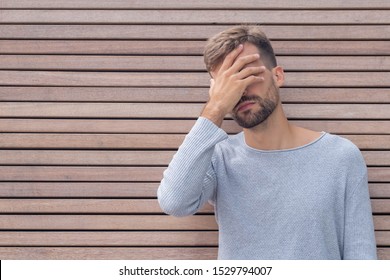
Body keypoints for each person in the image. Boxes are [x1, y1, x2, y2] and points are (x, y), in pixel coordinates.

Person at [157, 25, 377, 260]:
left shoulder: (340, 156)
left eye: (247, 75)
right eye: (228, 83)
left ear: (278, 76)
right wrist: (216, 108)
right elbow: (174, 202)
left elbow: (361, 257)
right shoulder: (218, 158)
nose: (240, 90)